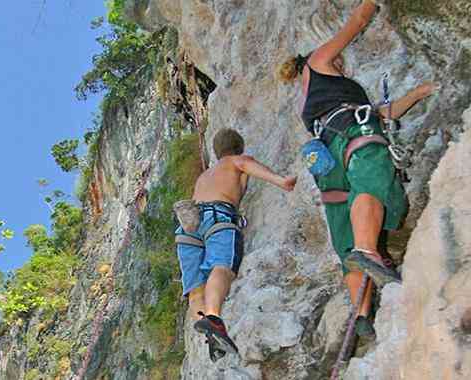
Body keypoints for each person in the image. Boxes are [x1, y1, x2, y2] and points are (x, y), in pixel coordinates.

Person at [278, 0, 436, 337]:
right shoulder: (319, 62)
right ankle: (369, 252)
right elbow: (358, 20)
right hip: (355, 135)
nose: (344, 69)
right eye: (341, 65)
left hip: (328, 159)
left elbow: (386, 113)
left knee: (343, 230)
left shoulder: (308, 103)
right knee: (371, 182)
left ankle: (361, 313)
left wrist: (419, 94)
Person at [175, 128, 296, 361]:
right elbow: (247, 166)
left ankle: (209, 332)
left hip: (187, 224)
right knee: (222, 267)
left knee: (195, 290)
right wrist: (282, 181)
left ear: (216, 151)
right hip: (217, 216)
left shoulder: (205, 175)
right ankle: (214, 319)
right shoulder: (235, 161)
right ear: (238, 148)